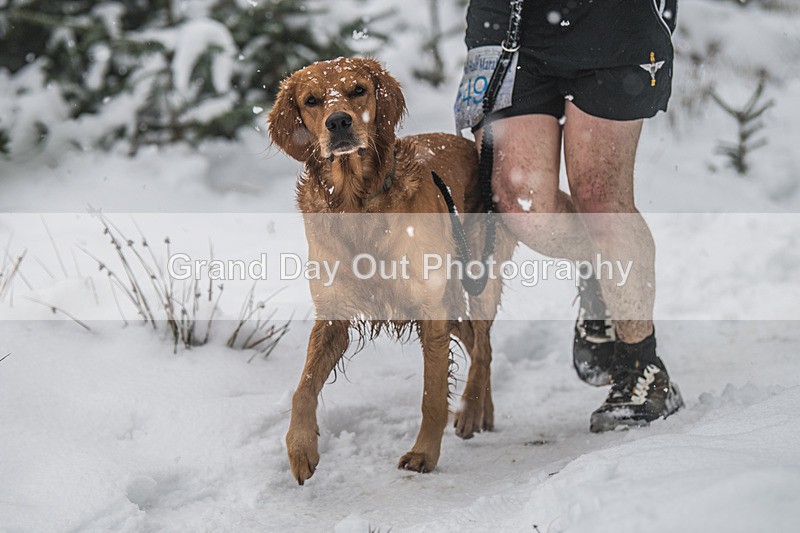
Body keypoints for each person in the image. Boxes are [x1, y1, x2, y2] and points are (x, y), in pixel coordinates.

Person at [455, 0, 683, 432]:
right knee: (519, 202)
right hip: (509, 20)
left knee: (601, 200)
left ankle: (642, 369)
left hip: (613, 20)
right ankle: (604, 275)